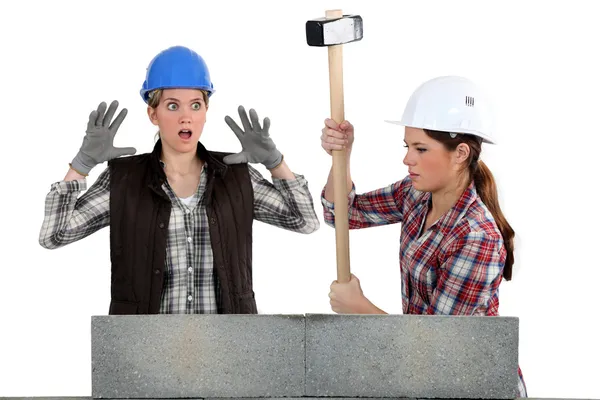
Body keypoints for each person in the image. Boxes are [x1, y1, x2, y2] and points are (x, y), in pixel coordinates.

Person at [39, 45, 319, 315]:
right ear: (153, 114)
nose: (186, 117)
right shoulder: (123, 181)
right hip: (145, 351)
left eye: (195, 105)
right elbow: (54, 235)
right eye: (173, 106)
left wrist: (276, 163)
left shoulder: (236, 175)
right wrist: (81, 166)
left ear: (205, 113)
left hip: (228, 349)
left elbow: (305, 221)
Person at [319, 76, 527, 397]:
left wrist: (358, 307)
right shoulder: (416, 195)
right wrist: (342, 155)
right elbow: (342, 213)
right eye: (407, 146)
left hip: (476, 384)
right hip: (428, 377)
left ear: (459, 153)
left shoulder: (476, 237)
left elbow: (436, 346)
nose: (407, 159)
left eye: (420, 149)